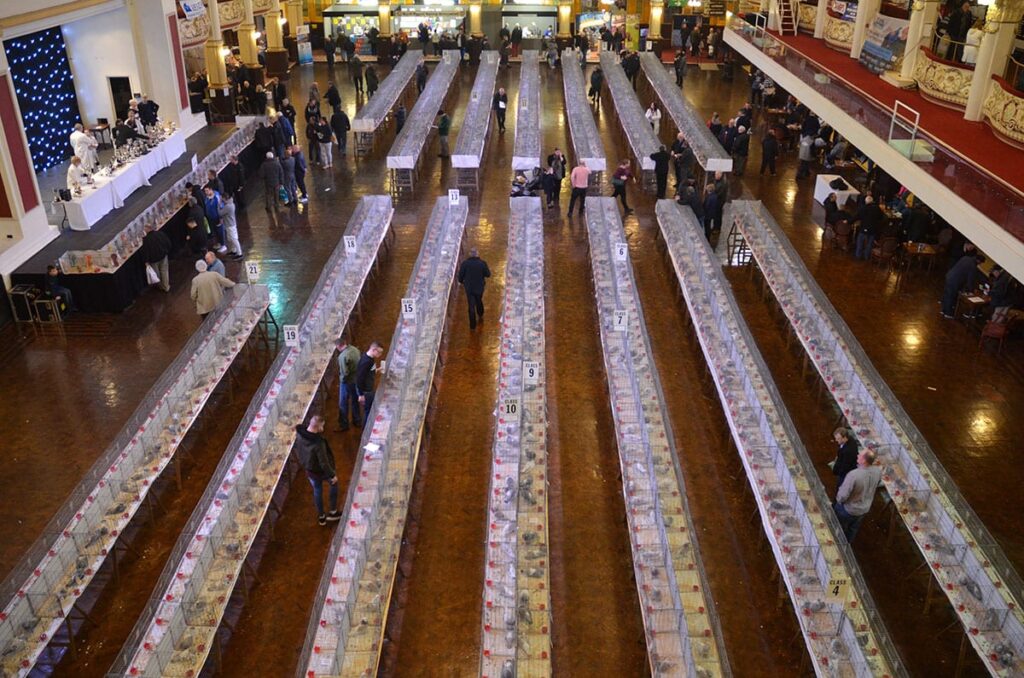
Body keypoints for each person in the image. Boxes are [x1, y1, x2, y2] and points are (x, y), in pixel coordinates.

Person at [294, 414, 340, 526]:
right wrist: (332, 475)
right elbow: (324, 462)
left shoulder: (300, 433)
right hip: (321, 471)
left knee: (317, 490)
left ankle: (321, 517)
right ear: (318, 427)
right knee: (334, 484)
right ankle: (333, 512)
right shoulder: (318, 443)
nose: (323, 429)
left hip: (310, 470)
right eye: (322, 426)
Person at [834, 448, 882, 543]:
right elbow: (877, 484)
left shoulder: (854, 475)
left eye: (860, 455)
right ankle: (848, 544)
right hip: (864, 508)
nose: (857, 455)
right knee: (853, 529)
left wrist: (839, 502)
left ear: (864, 460)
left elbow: (843, 495)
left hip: (848, 509)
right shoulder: (878, 471)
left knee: (838, 527)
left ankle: (837, 544)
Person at [941, 249, 985, 318]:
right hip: (955, 281)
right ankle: (947, 313)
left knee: (946, 294)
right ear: (979, 261)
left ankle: (943, 310)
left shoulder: (965, 257)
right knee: (951, 296)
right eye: (980, 263)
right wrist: (970, 290)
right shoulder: (972, 266)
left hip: (949, 276)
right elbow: (970, 280)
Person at [458, 248, 492, 330]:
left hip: (469, 288)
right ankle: (480, 313)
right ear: (477, 254)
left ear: (470, 254)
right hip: (479, 287)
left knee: (471, 305)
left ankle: (472, 325)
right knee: (479, 299)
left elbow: (460, 277)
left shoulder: (465, 264)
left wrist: (463, 282)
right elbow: (488, 274)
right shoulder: (482, 263)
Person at [336, 338, 362, 430]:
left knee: (343, 402)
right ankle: (357, 420)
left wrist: (342, 382)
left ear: (338, 346)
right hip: (357, 379)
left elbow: (344, 373)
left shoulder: (343, 356)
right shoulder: (355, 349)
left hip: (348, 382)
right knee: (355, 400)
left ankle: (344, 424)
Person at [356, 342, 385, 415]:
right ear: (373, 350)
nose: (380, 354)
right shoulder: (366, 362)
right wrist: (361, 394)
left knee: (369, 409)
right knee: (368, 411)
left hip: (368, 389)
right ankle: (366, 425)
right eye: (379, 352)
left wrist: (377, 370)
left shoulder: (370, 359)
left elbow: (367, 372)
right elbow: (359, 378)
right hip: (366, 391)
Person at [142, 226, 172, 292]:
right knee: (164, 271)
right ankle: (166, 286)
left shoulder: (146, 240)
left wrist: (146, 261)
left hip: (154, 260)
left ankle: (161, 286)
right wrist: (166, 251)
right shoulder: (160, 233)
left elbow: (146, 251)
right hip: (163, 256)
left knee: (156, 273)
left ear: (147, 230)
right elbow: (168, 242)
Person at [854, 196, 884, 260]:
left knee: (860, 242)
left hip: (863, 229)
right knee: (869, 244)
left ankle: (858, 256)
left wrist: (848, 221)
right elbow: (881, 217)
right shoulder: (877, 208)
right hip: (873, 230)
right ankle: (866, 256)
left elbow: (856, 217)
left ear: (866, 201)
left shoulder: (863, 208)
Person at [831, 427, 860, 493]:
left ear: (844, 438)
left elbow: (845, 467)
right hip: (847, 467)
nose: (836, 440)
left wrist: (838, 472)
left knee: (840, 487)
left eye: (838, 439)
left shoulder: (848, 451)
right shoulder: (850, 439)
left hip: (846, 473)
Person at [203, 186, 228, 253]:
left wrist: (221, 218)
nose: (206, 192)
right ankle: (219, 243)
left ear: (211, 190)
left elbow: (221, 207)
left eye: (207, 191)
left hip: (217, 218)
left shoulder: (217, 197)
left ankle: (223, 245)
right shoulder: (207, 198)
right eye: (205, 191)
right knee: (215, 232)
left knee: (220, 231)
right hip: (211, 218)